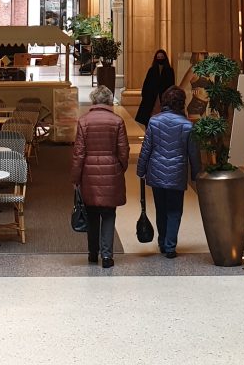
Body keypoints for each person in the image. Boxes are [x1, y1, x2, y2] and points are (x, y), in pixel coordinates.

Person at [137, 85, 201, 258]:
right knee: (175, 210)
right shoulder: (187, 125)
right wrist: (196, 174)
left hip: (156, 172)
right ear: (182, 103)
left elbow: (146, 148)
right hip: (177, 173)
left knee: (161, 209)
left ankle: (162, 241)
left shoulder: (154, 121)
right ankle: (170, 246)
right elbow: (193, 153)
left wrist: (141, 169)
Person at [71, 84, 129, 268]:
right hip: (111, 172)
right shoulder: (117, 121)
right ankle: (107, 256)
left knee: (92, 214)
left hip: (89, 174)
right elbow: (124, 151)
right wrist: (120, 168)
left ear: (93, 100)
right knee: (109, 214)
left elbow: (78, 153)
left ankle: (92, 253)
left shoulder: (84, 121)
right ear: (109, 100)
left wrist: (76, 178)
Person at [135, 49, 175, 126]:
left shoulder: (169, 70)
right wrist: (144, 95)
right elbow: (146, 83)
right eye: (158, 57)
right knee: (150, 116)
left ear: (165, 58)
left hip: (164, 97)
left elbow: (171, 84)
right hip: (151, 97)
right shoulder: (152, 70)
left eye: (162, 57)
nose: (160, 59)